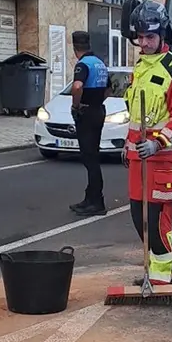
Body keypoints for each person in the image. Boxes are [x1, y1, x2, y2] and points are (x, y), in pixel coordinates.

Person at [121, 0, 172, 286]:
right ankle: (157, 269)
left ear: (163, 34)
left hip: (161, 158)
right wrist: (127, 147)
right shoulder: (140, 66)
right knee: (138, 217)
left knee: (157, 218)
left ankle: (162, 278)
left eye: (150, 36)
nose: (144, 42)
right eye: (140, 37)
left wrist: (158, 143)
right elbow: (136, 115)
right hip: (138, 158)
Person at [68, 31, 109, 217]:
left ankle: (96, 202)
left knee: (89, 158)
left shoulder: (83, 64)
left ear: (74, 46)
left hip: (86, 112)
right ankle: (90, 198)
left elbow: (77, 86)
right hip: (98, 109)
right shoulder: (100, 63)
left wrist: (76, 106)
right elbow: (109, 88)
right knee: (93, 156)